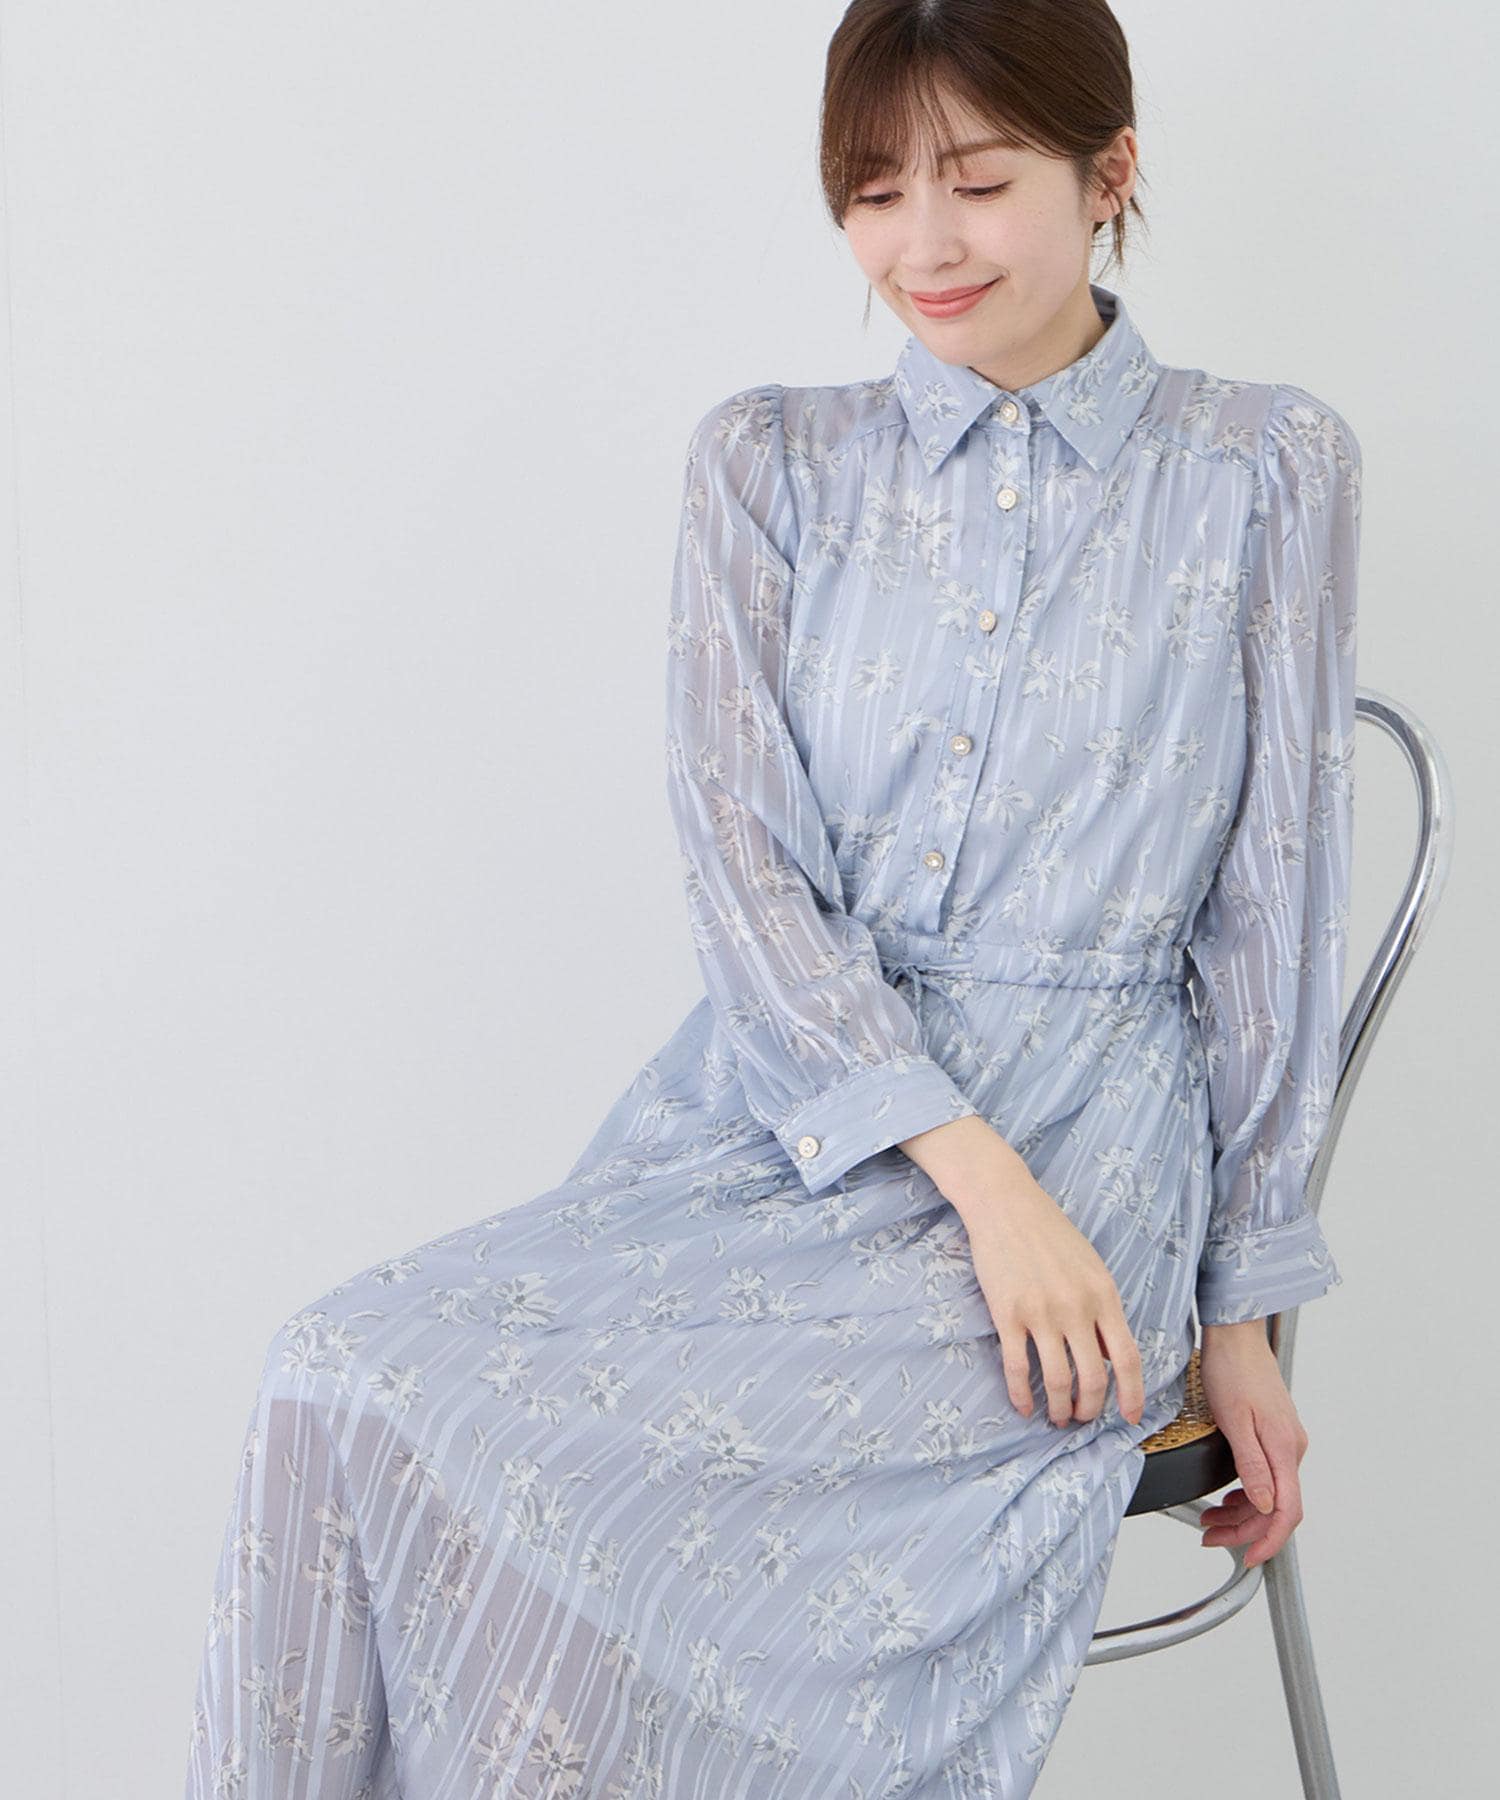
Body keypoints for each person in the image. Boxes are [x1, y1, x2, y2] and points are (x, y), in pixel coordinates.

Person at [183, 2, 1359, 1794]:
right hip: (783, 1124)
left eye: (979, 182)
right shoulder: (770, 461)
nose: (923, 244)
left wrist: (1246, 1318)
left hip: (1086, 1168)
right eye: (873, 193)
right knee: (339, 1373)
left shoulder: (1264, 464)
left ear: (1109, 172)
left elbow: (1276, 913)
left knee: (577, 1485)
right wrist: (972, 1181)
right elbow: (743, 869)